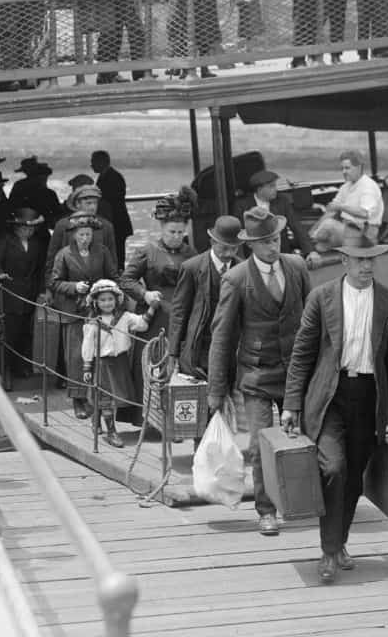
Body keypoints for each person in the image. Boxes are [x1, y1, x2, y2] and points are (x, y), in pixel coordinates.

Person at [281, 225, 388, 583]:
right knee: (333, 468)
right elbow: (302, 354)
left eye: (371, 260)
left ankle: (339, 543)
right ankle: (328, 550)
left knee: (353, 477)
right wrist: (291, 404)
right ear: (344, 260)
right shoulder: (322, 297)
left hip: (369, 398)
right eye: (360, 260)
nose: (367, 267)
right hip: (330, 397)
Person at [208, 207, 312, 536]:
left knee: (303, 439)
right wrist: (216, 389)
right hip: (255, 375)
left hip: (296, 372)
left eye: (276, 239)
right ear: (251, 245)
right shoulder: (236, 279)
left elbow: (313, 321)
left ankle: (301, 501)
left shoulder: (295, 267)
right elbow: (222, 337)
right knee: (258, 443)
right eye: (265, 242)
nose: (272, 246)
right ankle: (266, 510)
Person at [120, 188, 198, 399]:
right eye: (172, 232)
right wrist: (144, 294)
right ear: (162, 228)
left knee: (181, 367)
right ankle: (147, 413)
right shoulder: (147, 251)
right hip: (155, 316)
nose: (176, 237)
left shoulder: (191, 254)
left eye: (180, 233)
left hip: (183, 315)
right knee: (152, 364)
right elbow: (126, 280)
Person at [48, 214, 118, 419]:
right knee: (77, 356)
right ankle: (78, 399)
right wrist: (73, 287)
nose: (85, 238)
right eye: (81, 234)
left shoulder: (102, 251)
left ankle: (99, 397)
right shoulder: (64, 254)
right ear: (73, 235)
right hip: (74, 311)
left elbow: (113, 276)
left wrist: (110, 291)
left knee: (101, 353)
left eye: (88, 234)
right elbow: (54, 281)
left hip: (98, 310)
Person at [81, 279, 158, 447]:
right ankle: (111, 432)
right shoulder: (93, 323)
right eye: (102, 300)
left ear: (117, 300)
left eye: (110, 299)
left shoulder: (124, 317)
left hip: (120, 363)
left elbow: (142, 324)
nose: (107, 303)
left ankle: (97, 419)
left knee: (114, 397)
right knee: (105, 397)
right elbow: (88, 346)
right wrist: (87, 366)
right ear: (95, 302)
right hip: (103, 363)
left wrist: (152, 307)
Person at [167, 215, 242, 381]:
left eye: (234, 248)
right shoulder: (191, 268)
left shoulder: (243, 269)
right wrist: (173, 352)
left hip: (233, 348)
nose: (228, 253)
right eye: (224, 248)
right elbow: (179, 312)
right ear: (213, 242)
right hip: (200, 346)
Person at [0, 207, 49, 380]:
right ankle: (4, 370)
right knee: (9, 332)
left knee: (25, 332)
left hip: (29, 293)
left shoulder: (36, 244)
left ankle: (21, 366)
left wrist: (42, 290)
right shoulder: (5, 241)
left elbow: (40, 269)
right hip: (10, 292)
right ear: (16, 228)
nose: (28, 231)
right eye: (25, 228)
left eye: (31, 228)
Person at [233, 169, 317, 260]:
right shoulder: (241, 205)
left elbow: (296, 226)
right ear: (260, 189)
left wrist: (310, 251)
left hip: (281, 253)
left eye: (275, 185)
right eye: (271, 186)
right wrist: (241, 260)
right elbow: (238, 235)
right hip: (253, 256)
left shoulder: (282, 201)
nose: (275, 189)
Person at [311, 150, 384, 251]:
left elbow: (364, 213)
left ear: (359, 167)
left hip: (365, 236)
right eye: (342, 168)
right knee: (319, 248)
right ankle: (308, 243)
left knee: (329, 224)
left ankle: (306, 241)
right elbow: (331, 210)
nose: (343, 172)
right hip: (347, 231)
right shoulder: (346, 186)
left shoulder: (368, 186)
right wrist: (313, 231)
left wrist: (341, 207)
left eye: (347, 168)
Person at [46, 184, 119, 273]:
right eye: (88, 203)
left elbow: (112, 261)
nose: (92, 207)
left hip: (98, 281)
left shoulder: (106, 226)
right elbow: (52, 258)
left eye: (95, 203)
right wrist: (51, 283)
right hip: (68, 282)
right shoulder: (62, 226)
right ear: (77, 204)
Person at [91, 150, 133, 265]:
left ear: (102, 162)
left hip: (116, 223)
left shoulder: (114, 177)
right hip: (113, 223)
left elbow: (112, 199)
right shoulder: (105, 176)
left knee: (118, 256)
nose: (91, 165)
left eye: (93, 162)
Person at [8, 156, 64, 230]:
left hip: (21, 227)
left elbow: (11, 206)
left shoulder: (19, 185)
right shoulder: (48, 193)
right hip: (39, 229)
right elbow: (56, 215)